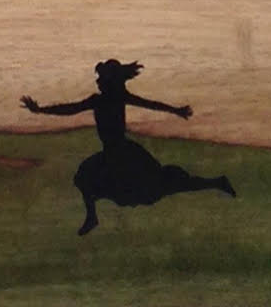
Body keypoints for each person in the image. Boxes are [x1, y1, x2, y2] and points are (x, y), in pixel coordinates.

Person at [19, 59, 236, 235]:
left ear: (110, 81)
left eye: (102, 78)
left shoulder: (111, 98)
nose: (98, 82)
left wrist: (175, 110)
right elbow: (70, 109)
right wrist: (41, 110)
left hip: (124, 154)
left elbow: (149, 104)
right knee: (87, 178)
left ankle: (216, 182)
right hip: (113, 154)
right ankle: (92, 217)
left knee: (158, 187)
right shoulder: (102, 99)